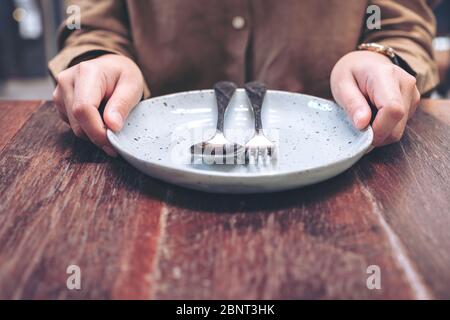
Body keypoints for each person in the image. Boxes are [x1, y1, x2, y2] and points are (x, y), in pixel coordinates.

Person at [49, 0, 439, 157]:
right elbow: (91, 23)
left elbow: (400, 24)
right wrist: (101, 59)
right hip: (138, 161)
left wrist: (379, 57)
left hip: (350, 158)